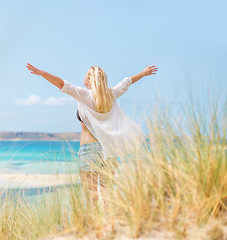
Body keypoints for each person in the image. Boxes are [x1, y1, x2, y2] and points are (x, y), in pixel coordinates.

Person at [26, 63, 158, 208]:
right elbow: (127, 82)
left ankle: (93, 228)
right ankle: (110, 226)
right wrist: (143, 73)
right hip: (109, 150)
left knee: (91, 198)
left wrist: (42, 73)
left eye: (86, 75)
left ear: (89, 80)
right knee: (107, 193)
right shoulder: (111, 94)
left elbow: (62, 84)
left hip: (89, 150)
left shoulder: (84, 95)